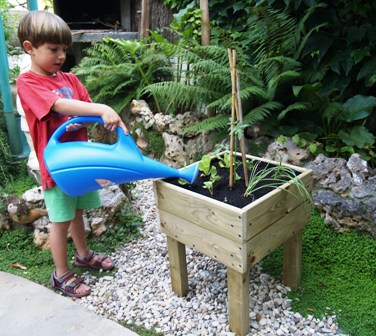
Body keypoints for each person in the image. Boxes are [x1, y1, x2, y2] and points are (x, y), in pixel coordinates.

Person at [16, 10, 129, 298]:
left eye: (64, 49)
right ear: (30, 47)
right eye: (53, 49)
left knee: (79, 212)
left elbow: (89, 109)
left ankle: (83, 255)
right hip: (58, 169)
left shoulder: (71, 79)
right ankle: (61, 274)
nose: (61, 55)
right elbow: (58, 106)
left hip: (81, 163)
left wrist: (110, 119)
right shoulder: (29, 83)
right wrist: (102, 109)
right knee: (61, 220)